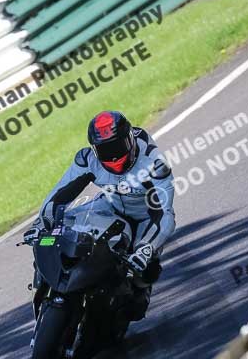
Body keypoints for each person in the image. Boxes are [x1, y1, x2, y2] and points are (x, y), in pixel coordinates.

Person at [24, 111, 176, 319]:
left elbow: (164, 213)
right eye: (105, 149)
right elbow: (59, 195)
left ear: (130, 138)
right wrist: (42, 222)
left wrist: (145, 249)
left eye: (117, 146)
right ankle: (44, 283)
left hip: (146, 217)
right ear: (95, 149)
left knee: (144, 283)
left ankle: (134, 293)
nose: (113, 156)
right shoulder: (87, 159)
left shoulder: (154, 164)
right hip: (110, 206)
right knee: (55, 233)